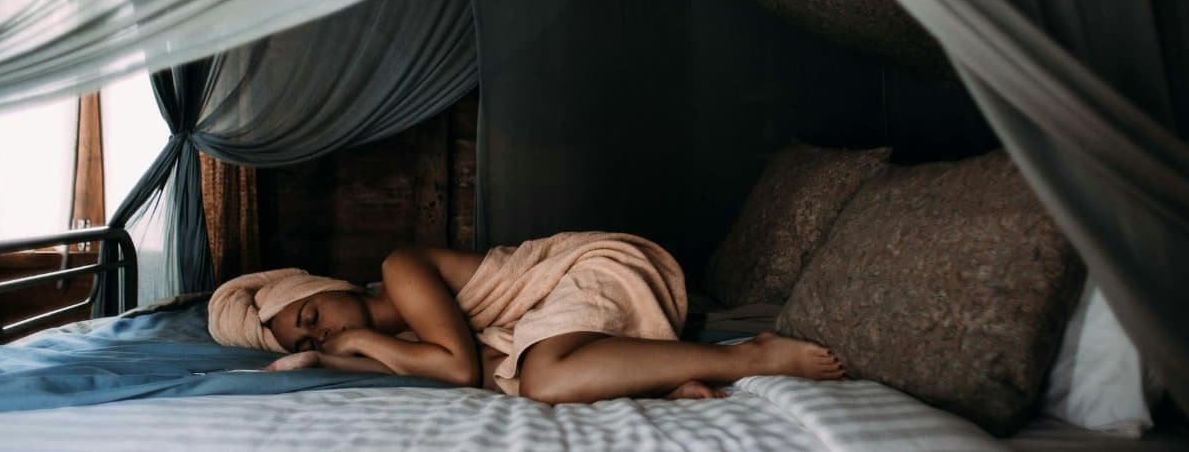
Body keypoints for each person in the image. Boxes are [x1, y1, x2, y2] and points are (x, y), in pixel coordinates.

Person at [208, 231, 844, 403]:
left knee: (539, 378)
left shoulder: (401, 268)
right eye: (311, 335)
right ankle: (657, 374)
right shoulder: (396, 339)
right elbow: (482, 371)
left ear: (328, 286)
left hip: (589, 268)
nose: (323, 329)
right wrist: (326, 357)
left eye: (313, 315)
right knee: (519, 378)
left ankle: (750, 354)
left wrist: (365, 341)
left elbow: (457, 372)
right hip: (557, 316)